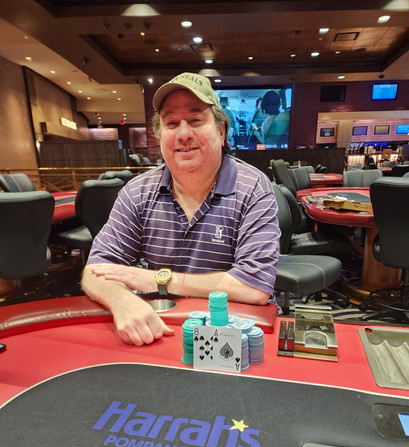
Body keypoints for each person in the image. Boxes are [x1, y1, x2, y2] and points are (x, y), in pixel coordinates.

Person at [81, 72, 281, 347]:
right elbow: (95, 270)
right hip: (163, 328)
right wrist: (121, 298)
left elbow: (254, 286)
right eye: (172, 123)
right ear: (160, 136)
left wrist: (157, 280)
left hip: (236, 332)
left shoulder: (253, 187)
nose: (184, 134)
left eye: (196, 120)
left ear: (221, 131)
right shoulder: (137, 192)